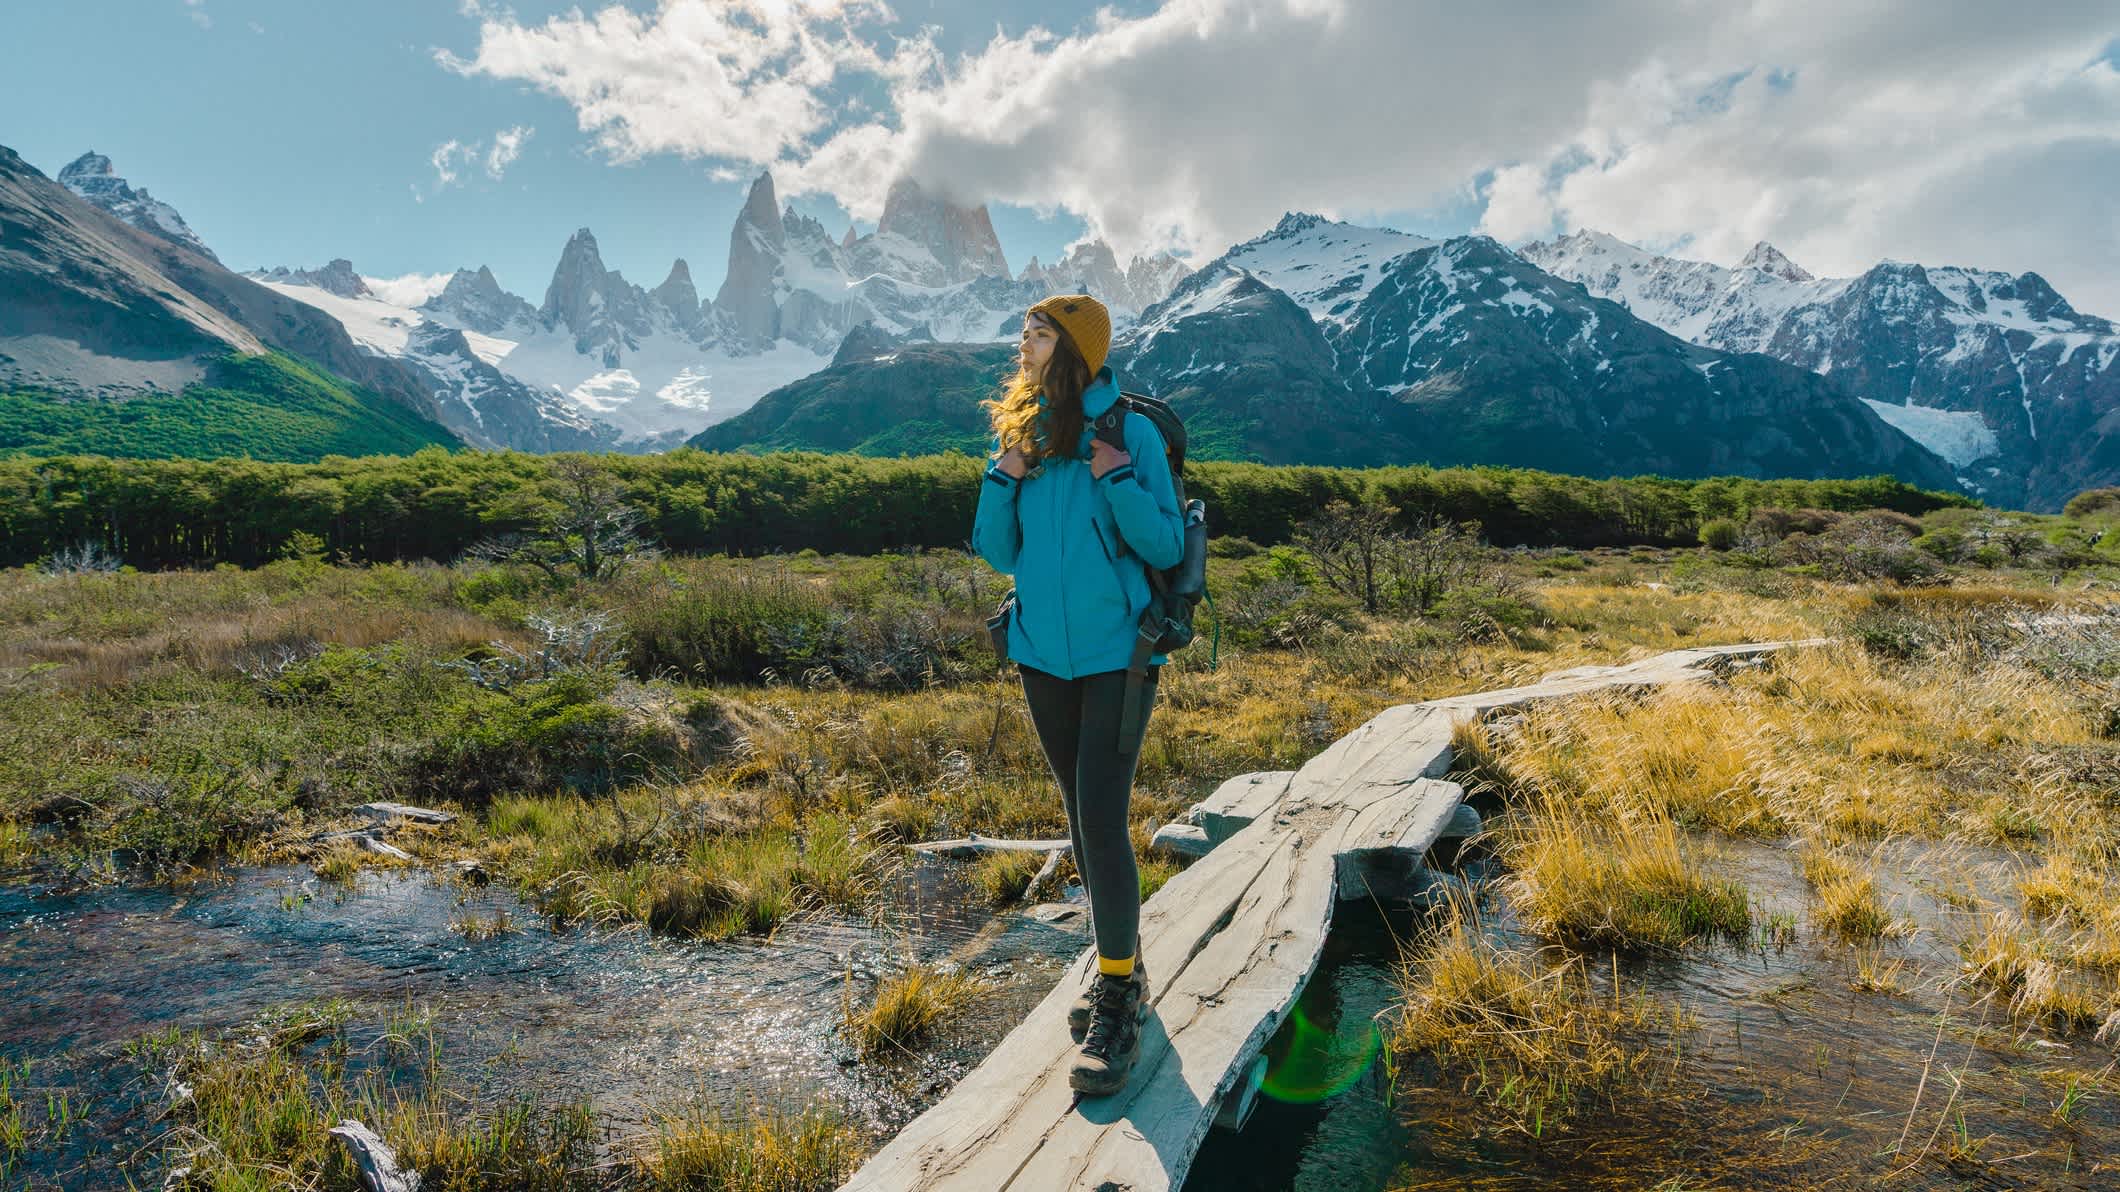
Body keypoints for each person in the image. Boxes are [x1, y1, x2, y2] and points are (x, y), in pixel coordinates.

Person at [970, 293, 1187, 1097]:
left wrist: (1119, 477)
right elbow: (997, 551)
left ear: (1074, 347)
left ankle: (1120, 1000)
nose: (1022, 340)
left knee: (1100, 819)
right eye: (1024, 328)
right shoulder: (1021, 430)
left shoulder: (1125, 431)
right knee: (1079, 816)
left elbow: (1164, 540)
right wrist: (1007, 472)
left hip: (1117, 657)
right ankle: (1116, 968)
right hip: (1040, 656)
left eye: (1037, 331)